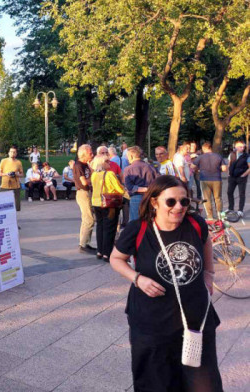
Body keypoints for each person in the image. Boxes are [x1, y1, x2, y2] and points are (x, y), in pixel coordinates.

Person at [110, 175, 222, 392]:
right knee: (157, 382)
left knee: (203, 383)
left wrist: (209, 273)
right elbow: (116, 259)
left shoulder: (195, 223)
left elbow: (206, 241)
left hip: (196, 318)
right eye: (171, 201)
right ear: (154, 202)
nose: (179, 207)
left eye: (184, 201)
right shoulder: (138, 228)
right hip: (152, 321)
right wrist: (137, 279)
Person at [90, 154, 124, 261]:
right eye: (107, 161)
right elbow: (119, 189)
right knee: (109, 229)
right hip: (108, 204)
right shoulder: (109, 174)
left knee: (100, 227)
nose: (110, 163)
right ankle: (107, 253)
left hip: (96, 203)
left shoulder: (94, 174)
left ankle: (100, 251)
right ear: (102, 163)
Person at [123, 146, 158, 222]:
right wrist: (148, 189)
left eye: (127, 156)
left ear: (131, 156)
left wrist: (143, 189)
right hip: (150, 197)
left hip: (136, 198)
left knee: (135, 223)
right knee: (149, 222)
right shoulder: (151, 167)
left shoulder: (128, 169)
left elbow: (129, 187)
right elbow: (158, 182)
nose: (127, 158)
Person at [193, 142, 227, 219]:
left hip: (204, 179)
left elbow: (192, 166)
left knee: (207, 198)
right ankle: (220, 214)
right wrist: (218, 170)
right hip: (217, 179)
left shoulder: (200, 157)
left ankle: (210, 216)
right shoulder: (218, 156)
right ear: (210, 148)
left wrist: (198, 170)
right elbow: (224, 169)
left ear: (204, 148)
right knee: (218, 197)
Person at [74, 144, 96, 254]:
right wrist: (95, 180)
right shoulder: (78, 165)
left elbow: (92, 174)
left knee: (86, 219)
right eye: (90, 153)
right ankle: (83, 245)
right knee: (90, 219)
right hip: (83, 193)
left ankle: (84, 243)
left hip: (87, 192)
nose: (92, 154)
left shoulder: (85, 164)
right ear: (83, 154)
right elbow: (84, 182)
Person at [226, 141, 250, 216]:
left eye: (243, 147)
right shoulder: (231, 154)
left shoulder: (247, 156)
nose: (242, 148)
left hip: (241, 178)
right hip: (232, 177)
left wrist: (244, 175)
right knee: (229, 192)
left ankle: (240, 210)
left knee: (241, 194)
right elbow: (229, 164)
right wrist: (228, 173)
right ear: (236, 147)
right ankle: (231, 208)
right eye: (240, 147)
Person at [0, 145, 24, 211]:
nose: (12, 153)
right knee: (3, 204)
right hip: (5, 185)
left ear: (16, 153)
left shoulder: (18, 162)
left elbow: (22, 174)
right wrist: (6, 174)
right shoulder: (3, 161)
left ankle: (14, 219)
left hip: (16, 186)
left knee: (16, 205)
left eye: (14, 152)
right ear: (8, 153)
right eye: (11, 152)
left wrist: (17, 174)